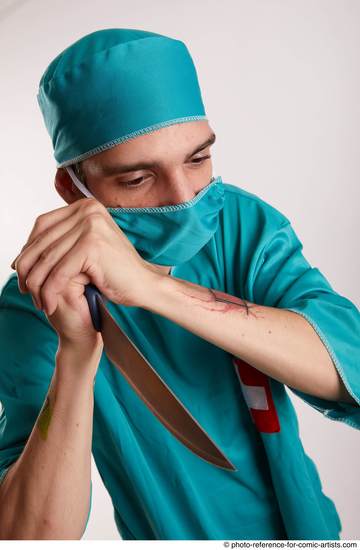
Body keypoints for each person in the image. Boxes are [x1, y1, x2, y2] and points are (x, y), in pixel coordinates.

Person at [0, 28, 359, 541]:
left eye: (197, 159)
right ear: (71, 186)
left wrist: (150, 287)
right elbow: (28, 535)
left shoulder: (240, 225)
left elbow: (353, 366)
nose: (185, 197)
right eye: (137, 179)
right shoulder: (39, 299)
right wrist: (76, 357)